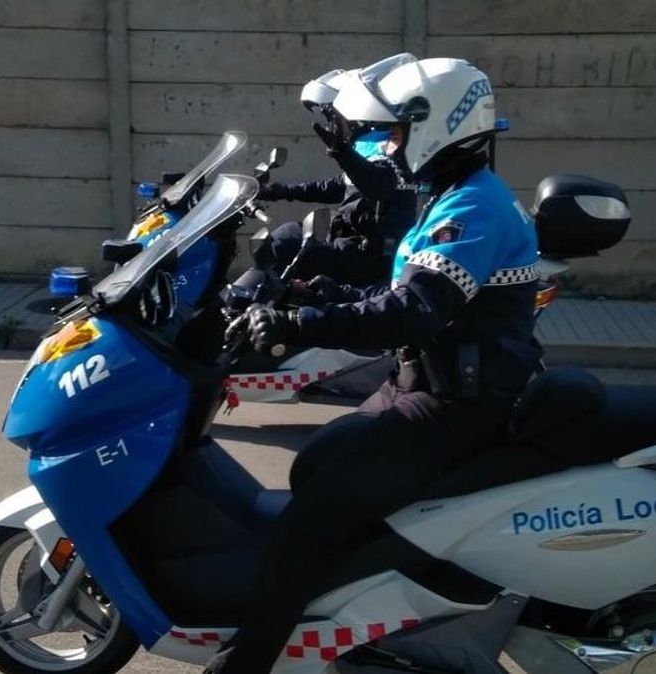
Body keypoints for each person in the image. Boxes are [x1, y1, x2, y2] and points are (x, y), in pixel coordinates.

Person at [205, 54, 542, 673]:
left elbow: (414, 310)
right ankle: (358, 617)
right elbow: (388, 296)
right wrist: (307, 297)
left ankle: (249, 663)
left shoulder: (474, 208)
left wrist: (299, 323)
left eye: (391, 132)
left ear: (437, 125)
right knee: (316, 463)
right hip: (424, 386)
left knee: (308, 522)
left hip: (456, 407)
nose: (383, 146)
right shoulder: (447, 194)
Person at [255, 68, 417, 286]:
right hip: (349, 242)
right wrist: (278, 191)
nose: (332, 123)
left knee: (284, 244)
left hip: (370, 256)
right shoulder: (366, 144)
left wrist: (343, 154)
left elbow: (380, 185)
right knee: (287, 239)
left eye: (333, 115)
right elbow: (339, 185)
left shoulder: (389, 145)